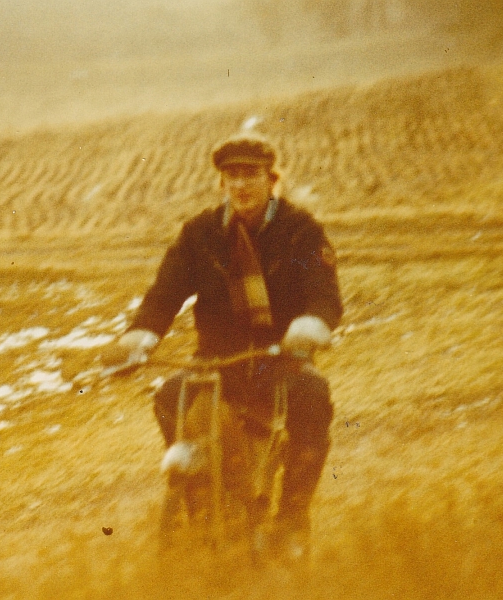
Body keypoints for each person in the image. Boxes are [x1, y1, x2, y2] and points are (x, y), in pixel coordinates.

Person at [106, 131, 343, 560]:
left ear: (271, 179)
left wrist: (308, 328)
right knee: (169, 398)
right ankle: (201, 499)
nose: (240, 185)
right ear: (221, 182)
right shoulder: (200, 233)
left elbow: (322, 292)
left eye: (250, 174)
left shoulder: (299, 231)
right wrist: (139, 339)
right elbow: (164, 294)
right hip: (216, 361)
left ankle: (291, 519)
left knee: (312, 400)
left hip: (278, 358)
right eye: (230, 175)